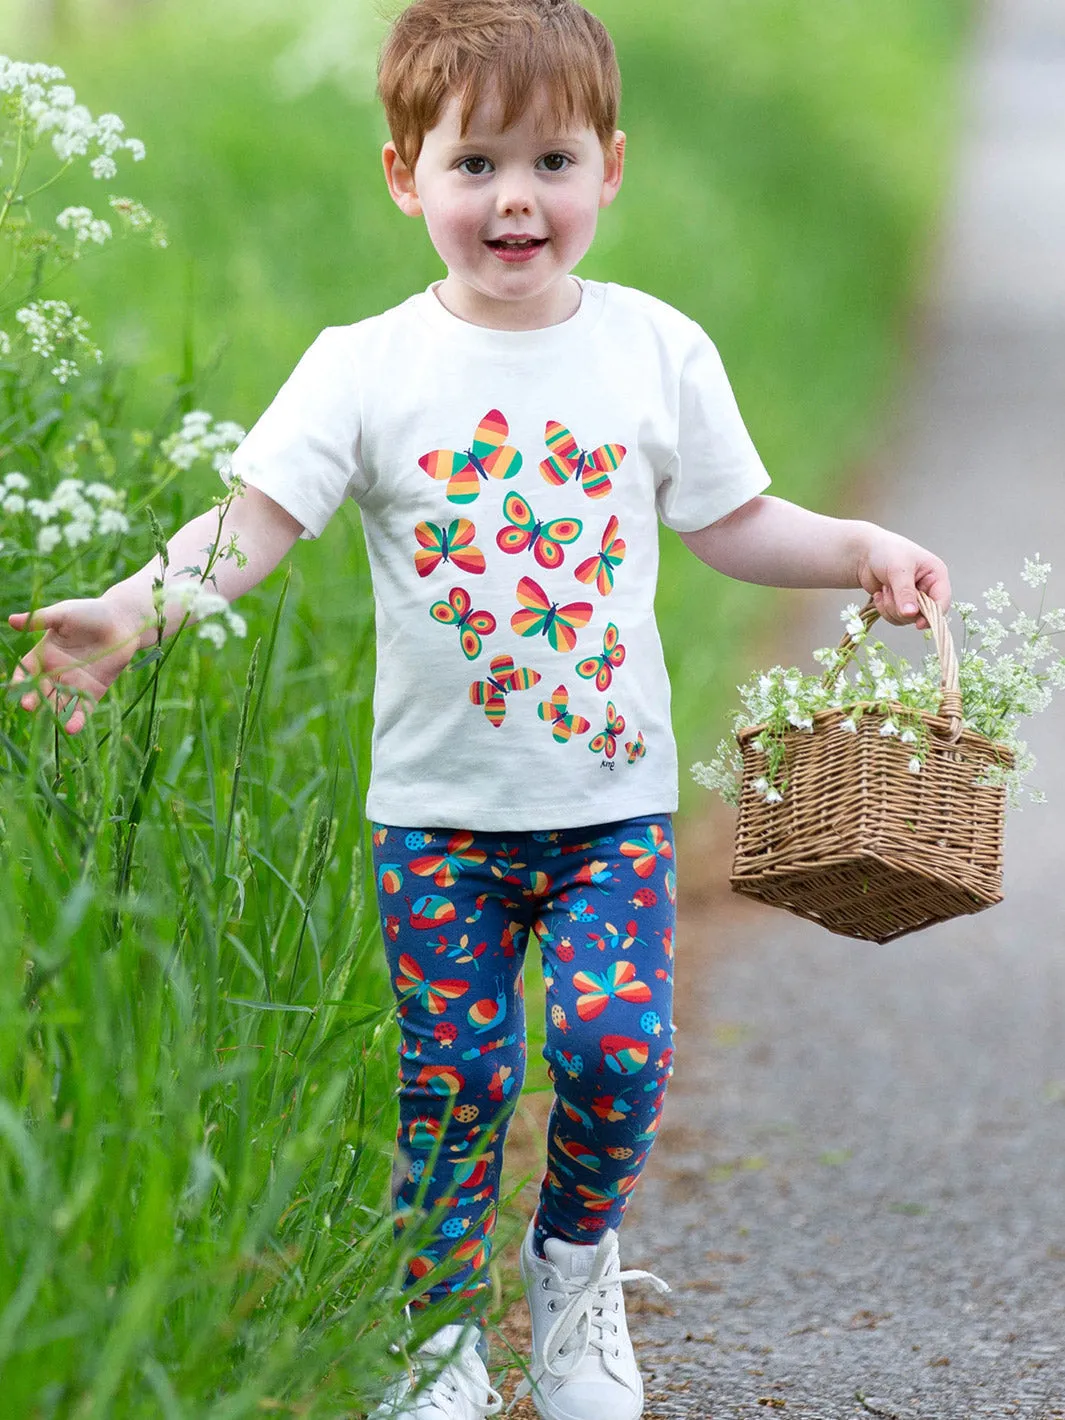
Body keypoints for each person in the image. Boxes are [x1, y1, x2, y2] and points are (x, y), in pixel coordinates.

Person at [8, 1, 952, 1417]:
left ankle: (573, 1271)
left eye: (554, 161)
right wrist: (134, 611)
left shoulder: (655, 351)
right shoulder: (364, 365)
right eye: (478, 163)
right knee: (452, 1082)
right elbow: (254, 521)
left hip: (610, 808)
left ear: (611, 169)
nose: (518, 196)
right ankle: (440, 1331)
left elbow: (734, 521)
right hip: (440, 818)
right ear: (407, 175)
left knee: (613, 1054)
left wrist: (858, 550)